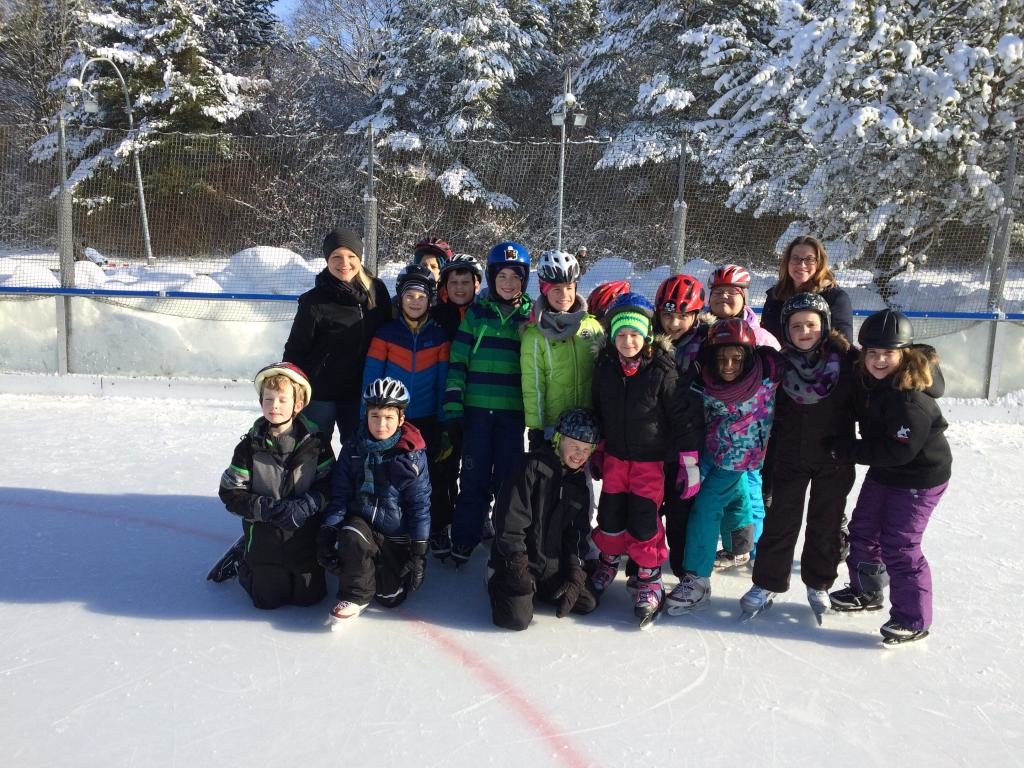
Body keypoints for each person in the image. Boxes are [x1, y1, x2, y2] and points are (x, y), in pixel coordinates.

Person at [828, 310, 951, 645]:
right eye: (873, 353)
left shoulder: (911, 400)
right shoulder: (870, 378)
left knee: (900, 545)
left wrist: (847, 450)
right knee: (864, 529)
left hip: (919, 476)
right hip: (887, 470)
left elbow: (898, 452)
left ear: (904, 354)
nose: (879, 360)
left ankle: (913, 619)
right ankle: (866, 591)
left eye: (888, 354)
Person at [739, 293, 858, 621]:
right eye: (796, 326)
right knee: (780, 522)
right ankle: (767, 583)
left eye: (811, 325)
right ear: (785, 330)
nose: (804, 331)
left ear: (825, 327)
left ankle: (819, 582)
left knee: (827, 523)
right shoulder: (777, 364)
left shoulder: (847, 362)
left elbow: (873, 398)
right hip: (789, 456)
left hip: (834, 458)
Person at [589, 292, 705, 625]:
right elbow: (598, 411)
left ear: (647, 336)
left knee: (643, 518)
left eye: (635, 335)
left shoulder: (661, 369)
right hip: (615, 457)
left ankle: (649, 577)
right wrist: (597, 449)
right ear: (612, 337)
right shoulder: (606, 368)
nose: (628, 341)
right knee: (610, 513)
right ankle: (609, 562)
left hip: (649, 460)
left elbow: (681, 417)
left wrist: (688, 461)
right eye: (622, 335)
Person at [666, 318, 783, 615]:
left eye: (736, 359)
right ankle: (742, 545)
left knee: (705, 506)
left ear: (750, 357)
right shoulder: (706, 382)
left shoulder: (766, 381)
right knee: (737, 495)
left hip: (742, 455)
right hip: (714, 448)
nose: (729, 366)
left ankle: (697, 578)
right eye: (722, 359)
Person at [211, 363, 335, 610]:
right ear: (261, 403)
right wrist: (263, 508)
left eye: (282, 399)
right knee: (268, 601)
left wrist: (308, 505)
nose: (274, 405)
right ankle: (243, 563)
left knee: (309, 598)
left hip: (304, 533)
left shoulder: (316, 444)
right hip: (264, 535)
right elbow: (230, 493)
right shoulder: (249, 447)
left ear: (297, 405)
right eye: (268, 399)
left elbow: (331, 484)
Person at [443, 241, 533, 567]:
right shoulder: (477, 316)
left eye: (515, 277)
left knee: (508, 479)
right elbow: (458, 363)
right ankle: (464, 538)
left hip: (512, 414)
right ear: (492, 278)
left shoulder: (530, 316)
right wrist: (453, 408)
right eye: (502, 276)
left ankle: (505, 540)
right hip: (477, 413)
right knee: (473, 477)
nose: (508, 283)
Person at [316, 377, 431, 626]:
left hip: (395, 535)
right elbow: (340, 496)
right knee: (352, 533)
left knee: (390, 598)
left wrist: (419, 552)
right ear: (365, 416)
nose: (381, 424)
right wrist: (328, 531)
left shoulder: (411, 455)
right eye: (375, 416)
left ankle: (379, 575)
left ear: (401, 419)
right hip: (363, 528)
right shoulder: (354, 449)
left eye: (388, 417)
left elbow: (419, 506)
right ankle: (354, 596)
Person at [362, 263, 451, 561]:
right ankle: (388, 525)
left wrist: (442, 421)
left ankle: (433, 527)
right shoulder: (386, 333)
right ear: (400, 298)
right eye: (409, 295)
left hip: (425, 418)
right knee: (388, 473)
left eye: (421, 296)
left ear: (430, 300)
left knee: (431, 476)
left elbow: (442, 381)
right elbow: (371, 376)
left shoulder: (438, 337)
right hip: (392, 419)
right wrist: (368, 415)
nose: (415, 301)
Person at [487, 407, 602, 630]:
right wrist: (517, 568)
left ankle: (537, 588)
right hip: (516, 562)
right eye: (575, 446)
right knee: (515, 619)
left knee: (587, 602)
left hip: (550, 568)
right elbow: (510, 523)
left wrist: (575, 575)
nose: (580, 454)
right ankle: (494, 576)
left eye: (586, 449)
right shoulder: (530, 467)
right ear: (558, 439)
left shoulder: (578, 486)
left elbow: (576, 535)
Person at [283, 227, 391, 443]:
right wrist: (291, 388)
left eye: (351, 256)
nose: (344, 263)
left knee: (357, 451)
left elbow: (390, 333)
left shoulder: (376, 291)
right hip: (321, 392)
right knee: (313, 449)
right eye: (336, 257)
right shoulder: (314, 301)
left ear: (359, 258)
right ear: (327, 260)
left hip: (361, 392)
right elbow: (296, 348)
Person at [706, 264, 779, 566]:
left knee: (748, 490)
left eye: (731, 292)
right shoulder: (704, 332)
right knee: (719, 491)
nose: (723, 297)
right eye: (718, 292)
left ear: (744, 297)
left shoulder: (760, 337)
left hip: (748, 433)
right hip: (712, 429)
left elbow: (774, 384)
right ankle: (735, 545)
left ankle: (756, 548)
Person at [651, 274, 708, 579]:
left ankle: (684, 569)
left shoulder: (709, 344)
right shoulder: (648, 342)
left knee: (681, 512)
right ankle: (642, 563)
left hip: (690, 447)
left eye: (682, 316)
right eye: (668, 315)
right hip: (653, 444)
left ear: (696, 315)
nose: (673, 323)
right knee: (646, 508)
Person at [428, 254, 484, 561]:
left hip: (478, 403)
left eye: (466, 282)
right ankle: (440, 523)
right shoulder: (437, 316)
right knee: (443, 467)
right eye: (454, 282)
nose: (460, 288)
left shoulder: (485, 313)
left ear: (476, 284)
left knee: (475, 468)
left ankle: (474, 519)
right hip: (443, 403)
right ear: (445, 286)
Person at [520, 250, 603, 449]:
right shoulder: (535, 335)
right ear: (544, 290)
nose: (564, 295)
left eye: (569, 288)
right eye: (556, 289)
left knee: (581, 481)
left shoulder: (591, 327)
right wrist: (537, 428)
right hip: (553, 428)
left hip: (587, 429)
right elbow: (534, 386)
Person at [761, 235, 854, 344]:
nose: (801, 265)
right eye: (795, 258)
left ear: (819, 263)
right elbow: (766, 339)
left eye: (809, 259)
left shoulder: (835, 298)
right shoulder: (775, 295)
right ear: (787, 262)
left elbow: (844, 346)